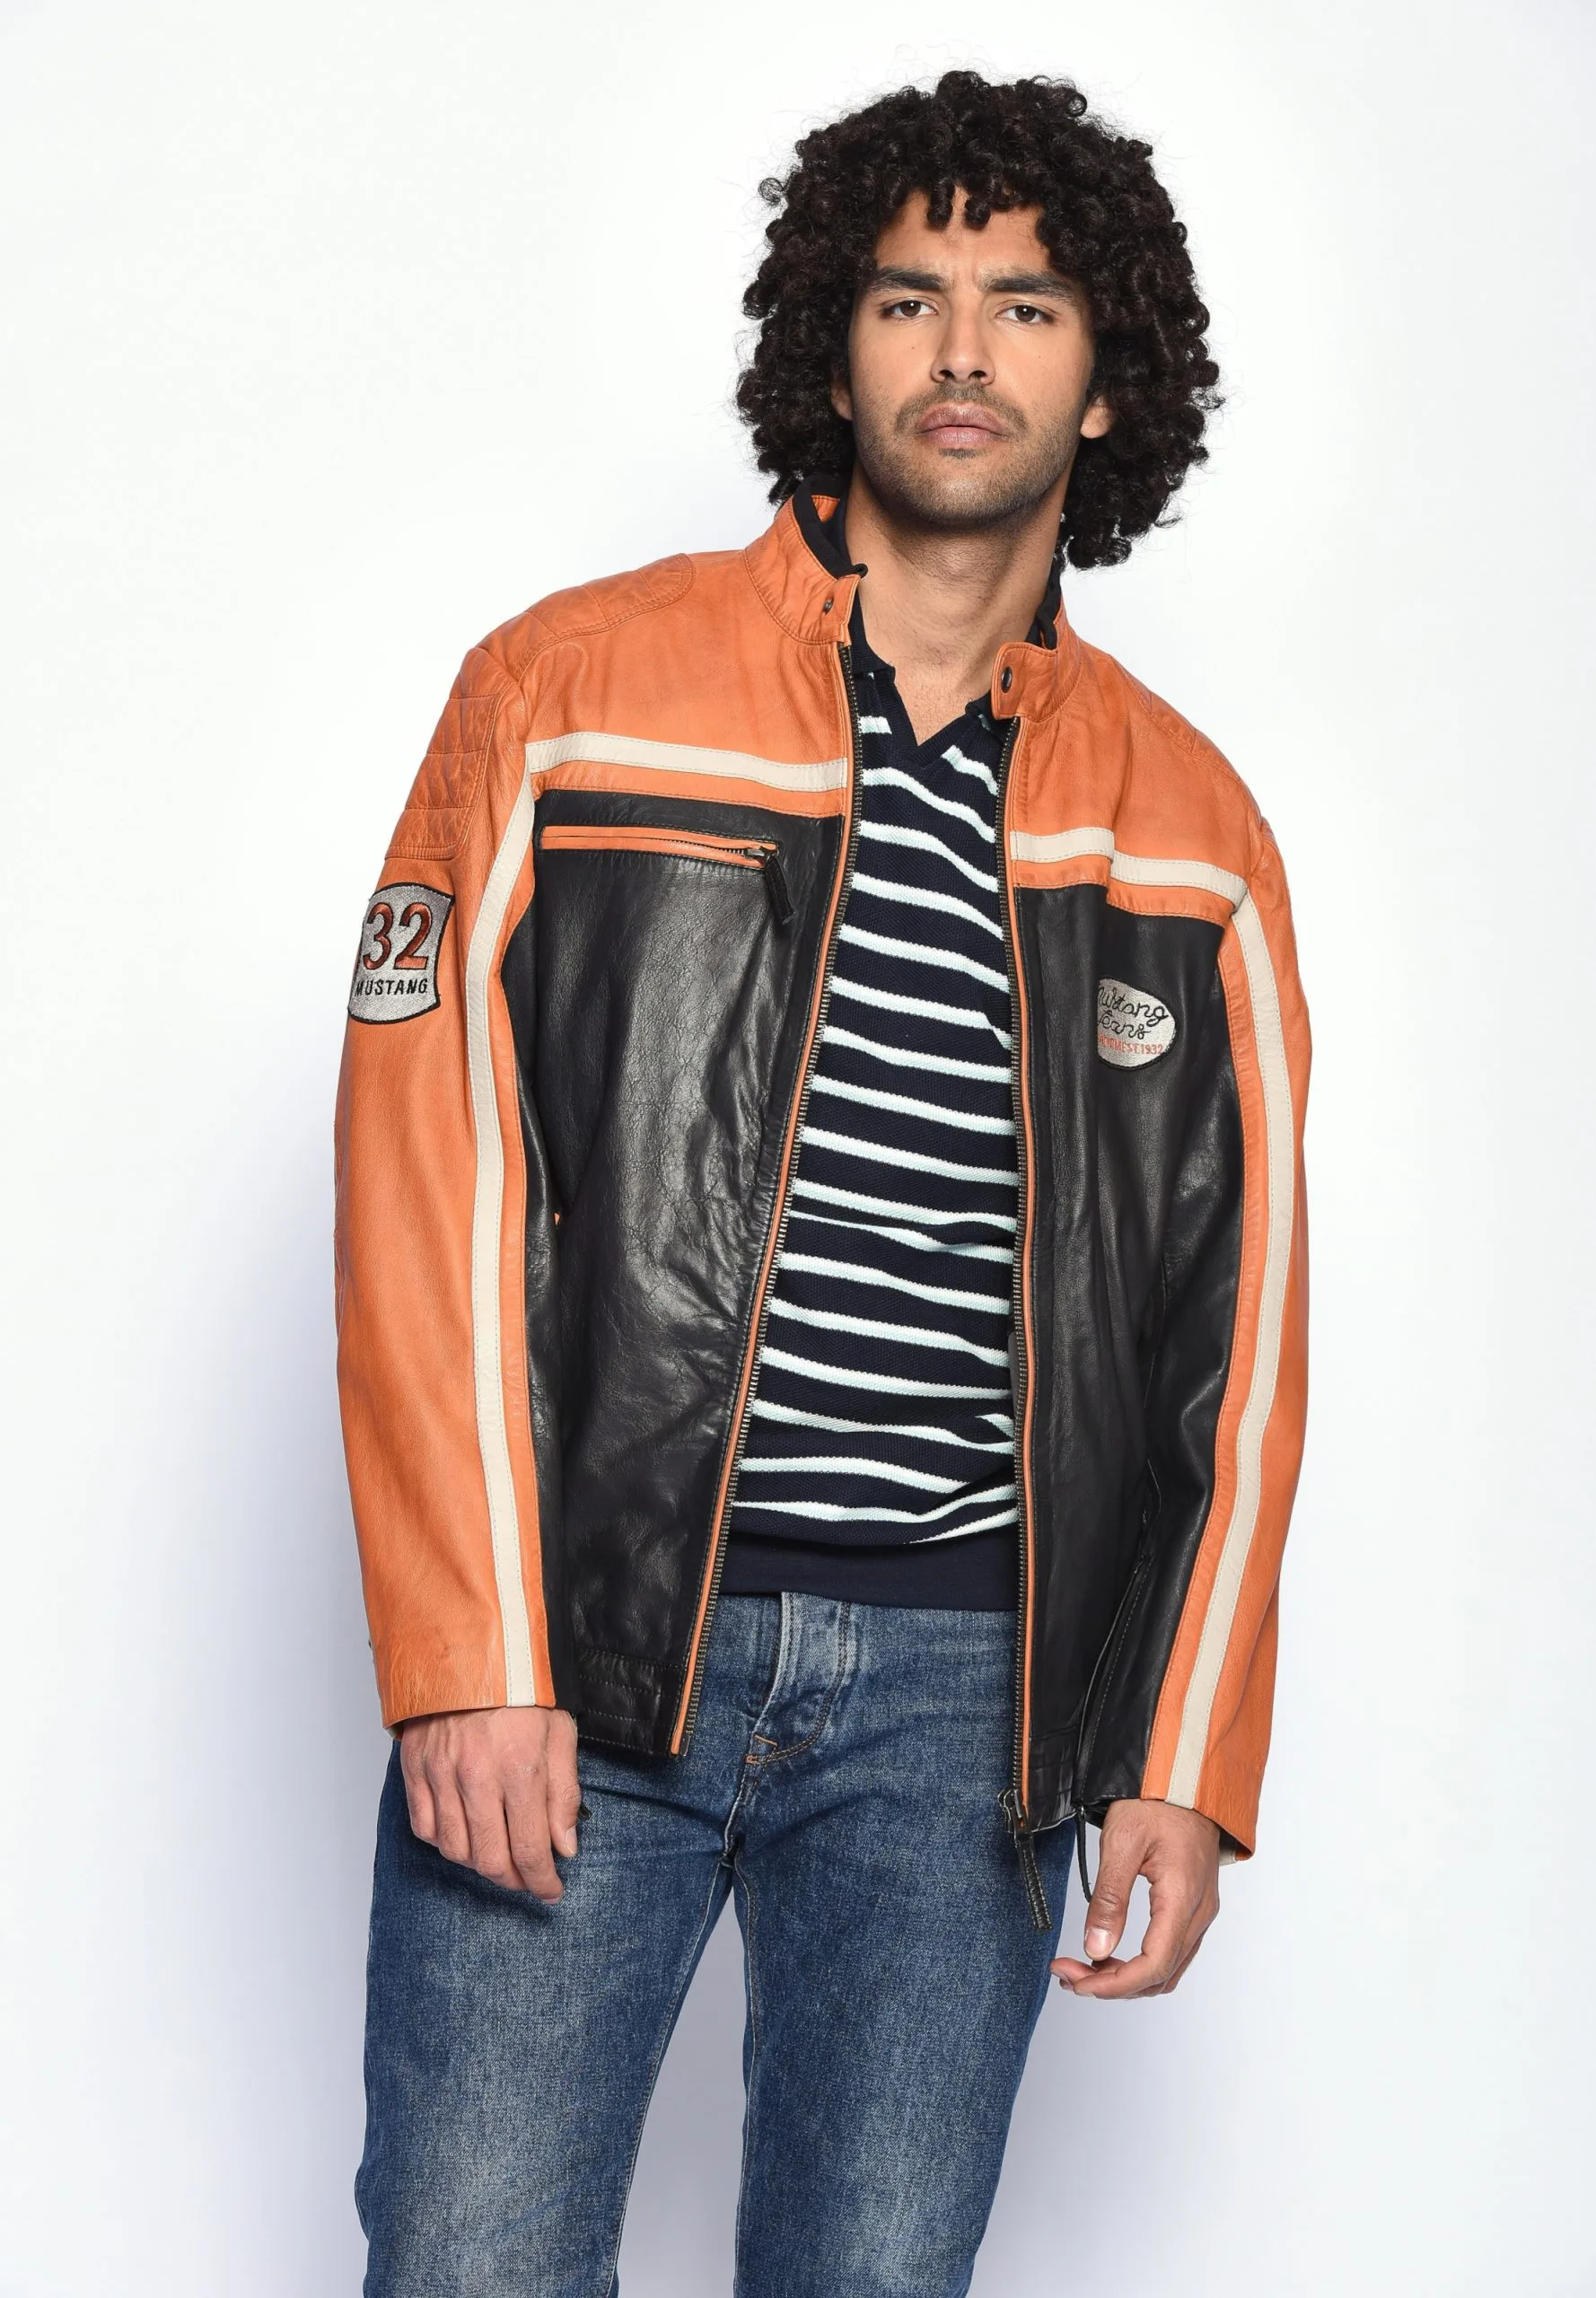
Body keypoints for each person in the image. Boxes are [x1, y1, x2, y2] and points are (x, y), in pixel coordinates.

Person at [336, 67, 1311, 2298]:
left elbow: (1238, 1335)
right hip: (586, 1651)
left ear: (1106, 380)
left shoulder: (1191, 829)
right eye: (907, 297)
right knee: (469, 2263)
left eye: (1026, 306)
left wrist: (1179, 1754)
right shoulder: (570, 689)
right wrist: (471, 1647)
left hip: (969, 1704)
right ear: (831, 346)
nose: (962, 352)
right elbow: (423, 1170)